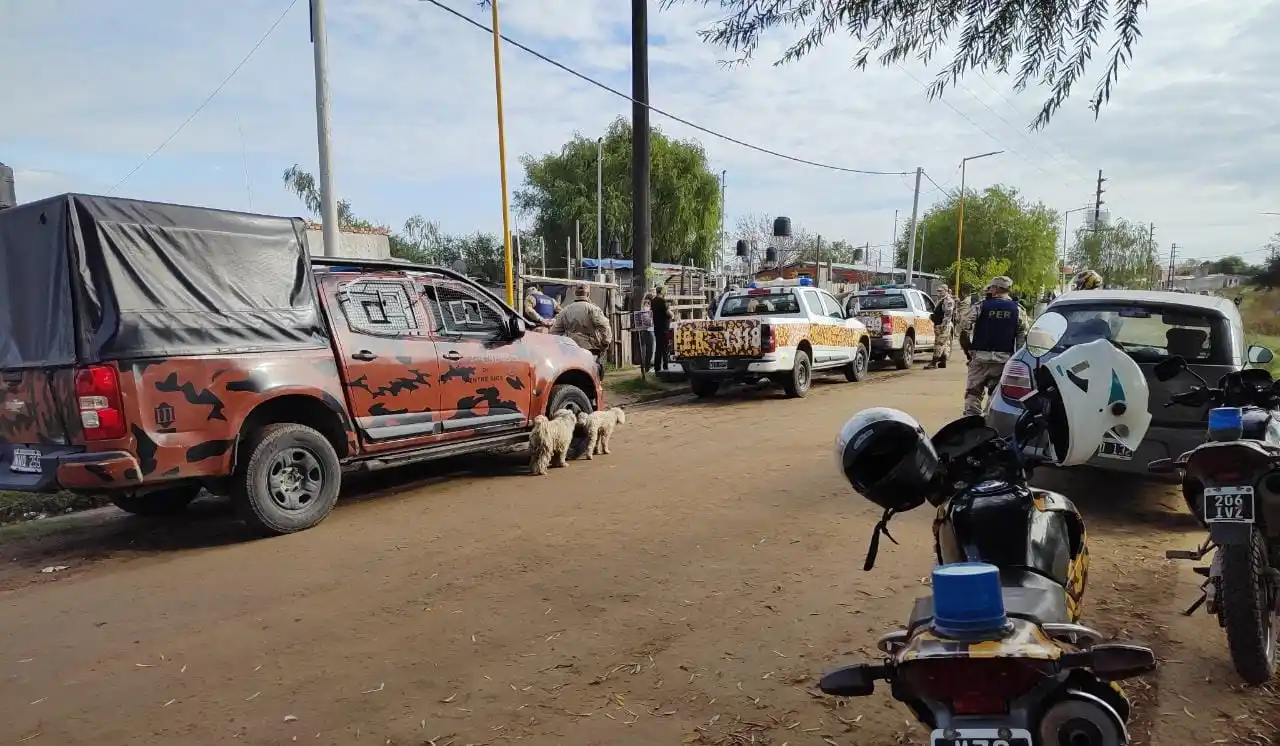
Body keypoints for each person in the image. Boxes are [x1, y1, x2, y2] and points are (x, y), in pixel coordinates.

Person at [958, 276, 1029, 416]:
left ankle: (971, 423)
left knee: (973, 393)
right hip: (1003, 361)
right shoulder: (1018, 310)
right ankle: (990, 422)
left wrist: (969, 351)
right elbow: (1023, 337)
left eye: (990, 287)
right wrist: (1015, 359)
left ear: (996, 289)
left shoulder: (981, 306)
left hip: (979, 358)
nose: (988, 289)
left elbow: (964, 327)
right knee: (996, 394)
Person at [551, 285, 613, 379]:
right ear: (588, 294)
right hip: (590, 350)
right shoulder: (593, 309)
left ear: (574, 293)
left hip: (570, 350)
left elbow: (554, 332)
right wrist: (605, 343)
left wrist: (561, 347)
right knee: (592, 379)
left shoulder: (565, 311)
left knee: (573, 378)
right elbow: (605, 327)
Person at [924, 285, 956, 369]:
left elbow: (948, 315)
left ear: (946, 291)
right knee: (943, 344)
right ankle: (943, 362)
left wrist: (943, 326)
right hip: (939, 324)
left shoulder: (948, 300)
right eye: (938, 291)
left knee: (939, 344)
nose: (939, 293)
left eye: (941, 291)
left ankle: (933, 363)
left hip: (943, 326)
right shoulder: (941, 300)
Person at [651, 285, 672, 373]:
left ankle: (657, 367)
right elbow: (667, 314)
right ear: (662, 291)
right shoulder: (662, 301)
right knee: (665, 348)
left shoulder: (653, 301)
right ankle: (666, 365)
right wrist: (671, 314)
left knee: (658, 348)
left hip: (657, 327)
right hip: (664, 328)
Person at [635, 294, 655, 376]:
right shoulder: (646, 309)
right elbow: (648, 321)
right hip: (648, 330)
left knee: (648, 349)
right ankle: (647, 367)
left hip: (647, 330)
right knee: (649, 349)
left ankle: (646, 367)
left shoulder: (646, 308)